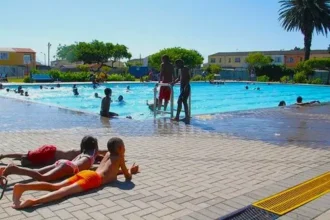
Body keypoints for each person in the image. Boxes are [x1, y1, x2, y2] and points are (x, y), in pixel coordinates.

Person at [11, 137, 139, 209]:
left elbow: (110, 173)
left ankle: (23, 187)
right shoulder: (119, 158)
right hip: (93, 179)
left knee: (56, 186)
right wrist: (129, 173)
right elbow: (127, 177)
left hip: (87, 173)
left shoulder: (107, 154)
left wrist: (124, 171)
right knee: (63, 192)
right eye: (124, 147)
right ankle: (33, 201)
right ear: (121, 149)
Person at [0, 136, 101, 183]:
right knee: (43, 178)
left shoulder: (84, 153)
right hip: (68, 166)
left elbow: (82, 162)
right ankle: (13, 168)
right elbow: (81, 164)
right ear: (94, 147)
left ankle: (8, 170)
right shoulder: (90, 155)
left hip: (65, 163)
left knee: (37, 172)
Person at [0, 143, 107, 167]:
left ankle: (3, 155)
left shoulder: (86, 153)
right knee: (26, 156)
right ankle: (3, 155)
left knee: (26, 156)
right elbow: (101, 151)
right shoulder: (83, 152)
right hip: (50, 153)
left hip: (51, 154)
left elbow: (100, 155)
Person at [171, 59, 191, 124]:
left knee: (180, 101)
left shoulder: (185, 69)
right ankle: (186, 117)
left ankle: (178, 117)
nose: (176, 66)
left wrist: (186, 86)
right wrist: (174, 82)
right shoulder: (180, 70)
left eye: (177, 64)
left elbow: (188, 77)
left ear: (181, 63)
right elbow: (179, 78)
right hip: (182, 88)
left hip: (186, 87)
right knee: (184, 101)